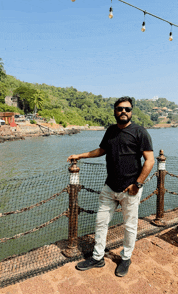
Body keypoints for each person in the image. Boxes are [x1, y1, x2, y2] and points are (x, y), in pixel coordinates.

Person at [67, 97, 154, 277]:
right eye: (120, 108)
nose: (124, 112)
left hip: (130, 189)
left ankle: (126, 258)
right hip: (109, 187)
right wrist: (79, 155)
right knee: (100, 222)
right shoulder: (111, 131)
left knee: (129, 226)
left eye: (127, 109)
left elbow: (150, 161)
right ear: (114, 111)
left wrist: (137, 184)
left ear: (131, 112)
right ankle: (97, 257)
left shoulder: (140, 132)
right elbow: (101, 150)